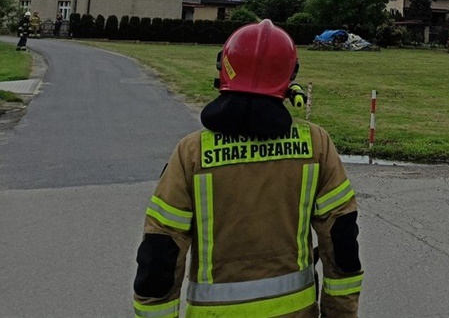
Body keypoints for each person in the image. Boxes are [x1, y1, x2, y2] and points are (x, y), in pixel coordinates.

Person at [133, 19, 363, 317]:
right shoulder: (315, 145)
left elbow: (160, 255)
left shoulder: (192, 153)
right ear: (288, 77)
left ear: (224, 69)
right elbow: (341, 243)